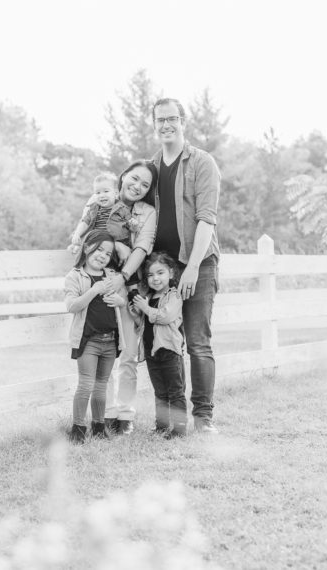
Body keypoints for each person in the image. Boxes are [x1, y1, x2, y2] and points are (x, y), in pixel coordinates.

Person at [149, 97, 221, 434]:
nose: (166, 125)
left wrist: (191, 268)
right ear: (154, 125)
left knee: (196, 341)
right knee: (165, 341)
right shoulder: (151, 167)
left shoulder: (202, 163)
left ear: (183, 121)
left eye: (172, 119)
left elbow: (206, 220)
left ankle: (203, 418)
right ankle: (170, 418)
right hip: (164, 271)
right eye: (160, 120)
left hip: (198, 264)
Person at [103, 160, 158, 435]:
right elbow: (90, 231)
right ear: (124, 176)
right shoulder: (104, 198)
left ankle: (124, 414)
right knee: (99, 348)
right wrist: (114, 243)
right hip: (98, 279)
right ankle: (102, 413)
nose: (137, 186)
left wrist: (123, 277)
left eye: (145, 185)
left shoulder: (147, 213)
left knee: (127, 350)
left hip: (129, 283)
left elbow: (143, 247)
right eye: (134, 179)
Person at [64, 230, 127, 444]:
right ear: (87, 247)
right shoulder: (75, 276)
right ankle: (78, 429)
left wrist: (120, 302)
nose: (103, 255)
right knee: (86, 385)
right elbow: (72, 306)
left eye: (108, 253)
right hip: (88, 340)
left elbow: (122, 301)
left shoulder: (110, 275)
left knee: (102, 385)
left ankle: (99, 427)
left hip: (110, 340)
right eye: (99, 249)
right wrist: (94, 290)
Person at [130, 252, 187, 438]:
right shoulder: (150, 297)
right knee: (160, 392)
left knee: (175, 391)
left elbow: (165, 316)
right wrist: (138, 314)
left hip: (169, 350)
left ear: (171, 273)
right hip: (151, 351)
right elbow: (144, 324)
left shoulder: (174, 295)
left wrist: (146, 308)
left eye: (160, 273)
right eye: (150, 275)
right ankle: (161, 426)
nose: (155, 278)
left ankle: (179, 428)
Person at [68, 172, 134, 266]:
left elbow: (129, 224)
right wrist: (77, 234)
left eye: (106, 191)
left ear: (115, 193)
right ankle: (80, 269)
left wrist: (133, 225)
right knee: (86, 255)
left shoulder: (122, 208)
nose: (101, 195)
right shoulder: (94, 208)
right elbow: (85, 222)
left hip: (115, 243)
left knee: (112, 263)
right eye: (97, 193)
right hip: (96, 242)